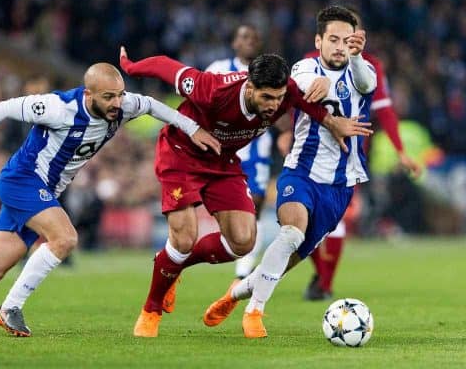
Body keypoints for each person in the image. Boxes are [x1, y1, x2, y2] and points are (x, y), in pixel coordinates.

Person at [0, 63, 220, 337]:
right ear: (89, 94)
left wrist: (192, 129)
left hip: (45, 190)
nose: (117, 104)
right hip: (23, 181)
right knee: (64, 238)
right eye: (108, 97)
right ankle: (10, 308)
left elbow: (155, 106)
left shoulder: (124, 105)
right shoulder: (58, 107)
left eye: (119, 95)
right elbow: (4, 108)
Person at [119, 45, 373, 337]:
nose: (272, 106)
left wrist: (331, 122)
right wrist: (130, 66)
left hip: (223, 161)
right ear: (249, 87)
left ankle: (172, 266)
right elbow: (166, 66)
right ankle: (151, 310)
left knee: (242, 241)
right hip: (181, 156)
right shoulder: (212, 89)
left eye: (277, 99)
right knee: (184, 238)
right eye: (266, 97)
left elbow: (304, 103)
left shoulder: (283, 92)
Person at [203, 5, 377, 338]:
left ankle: (236, 293)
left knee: (288, 260)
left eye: (347, 40)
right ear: (319, 40)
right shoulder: (303, 67)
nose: (341, 46)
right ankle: (255, 312)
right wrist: (322, 82)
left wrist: (356, 58)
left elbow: (367, 84)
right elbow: (303, 83)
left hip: (340, 184)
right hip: (301, 172)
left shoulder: (362, 69)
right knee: (291, 233)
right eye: (334, 39)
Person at [301, 8, 421, 301]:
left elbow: (384, 110)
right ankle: (321, 277)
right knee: (301, 223)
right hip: (308, 152)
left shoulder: (371, 67)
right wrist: (282, 135)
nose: (347, 40)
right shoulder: (307, 64)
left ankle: (324, 284)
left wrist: (401, 151)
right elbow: (294, 104)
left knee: (335, 220)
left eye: (353, 32)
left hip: (347, 156)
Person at [205, 24, 270, 279]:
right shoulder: (218, 69)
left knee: (257, 205)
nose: (250, 41)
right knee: (230, 213)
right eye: (244, 37)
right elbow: (201, 99)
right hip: (222, 150)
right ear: (234, 43)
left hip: (257, 151)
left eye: (255, 38)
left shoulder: (269, 71)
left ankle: (244, 270)